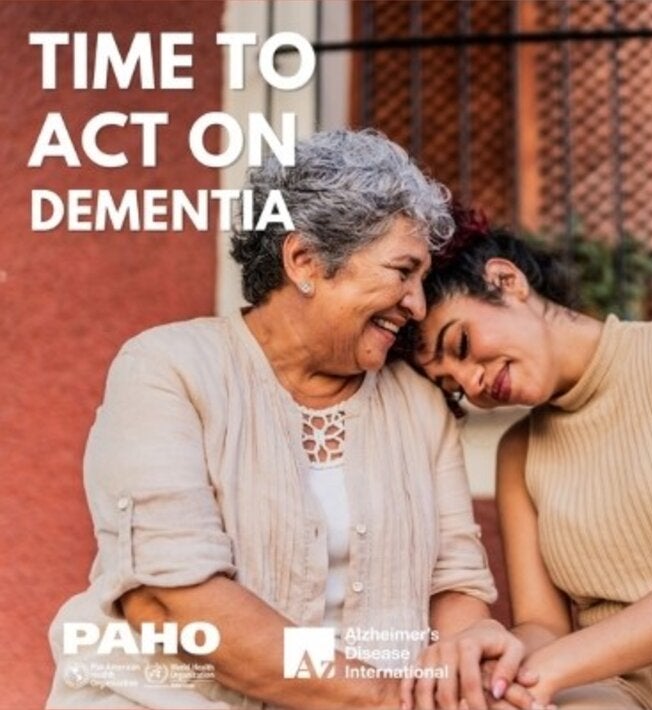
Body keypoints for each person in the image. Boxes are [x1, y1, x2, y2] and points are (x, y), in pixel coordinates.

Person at [47, 130, 523, 710]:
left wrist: (465, 656)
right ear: (304, 261)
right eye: (403, 271)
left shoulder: (416, 406)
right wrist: (388, 698)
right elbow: (174, 599)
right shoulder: (168, 369)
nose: (417, 305)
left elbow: (455, 583)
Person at [409, 219, 652, 710]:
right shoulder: (518, 451)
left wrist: (556, 665)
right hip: (611, 685)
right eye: (454, 387)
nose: (473, 382)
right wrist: (497, 656)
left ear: (506, 281)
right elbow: (543, 627)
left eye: (460, 346)